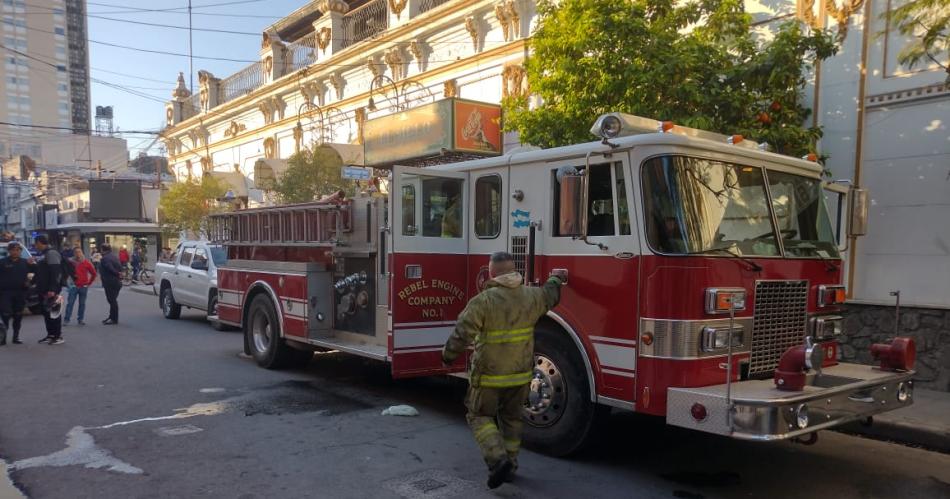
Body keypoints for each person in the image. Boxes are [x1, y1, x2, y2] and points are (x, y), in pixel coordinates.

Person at [442, 252, 563, 489]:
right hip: (520, 376)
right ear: (514, 271)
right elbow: (551, 295)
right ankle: (511, 465)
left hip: (489, 376)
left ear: (492, 273)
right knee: (512, 418)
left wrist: (448, 356)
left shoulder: (483, 301)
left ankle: (497, 460)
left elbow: (461, 333)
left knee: (478, 416)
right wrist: (556, 280)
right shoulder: (532, 296)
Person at [33, 235, 64, 345]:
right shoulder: (43, 254)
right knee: (46, 313)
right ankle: (50, 335)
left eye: (36, 243)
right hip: (43, 289)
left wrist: (53, 289)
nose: (35, 246)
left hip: (51, 290)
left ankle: (58, 336)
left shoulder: (51, 253)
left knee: (54, 312)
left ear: (40, 243)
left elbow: (56, 272)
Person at [0, 242, 31, 345]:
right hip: (5, 293)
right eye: (13, 250)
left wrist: (29, 283)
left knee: (18, 315)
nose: (15, 252)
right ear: (9, 251)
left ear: (20, 251)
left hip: (20, 293)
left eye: (18, 250)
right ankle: (3, 337)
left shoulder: (26, 262)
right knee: (6, 314)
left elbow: (35, 274)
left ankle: (16, 337)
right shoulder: (2, 262)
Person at [64, 248, 97, 326]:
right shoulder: (70, 262)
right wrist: (66, 283)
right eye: (76, 252)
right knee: (70, 303)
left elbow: (94, 273)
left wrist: (89, 283)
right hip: (73, 286)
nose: (78, 254)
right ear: (74, 253)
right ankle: (66, 319)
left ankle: (80, 319)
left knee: (82, 304)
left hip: (83, 286)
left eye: (79, 252)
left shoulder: (86, 262)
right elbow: (65, 273)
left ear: (82, 253)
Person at [99, 243, 122, 325]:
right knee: (112, 300)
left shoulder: (105, 258)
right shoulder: (114, 256)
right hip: (117, 282)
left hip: (110, 281)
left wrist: (116, 273)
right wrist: (119, 273)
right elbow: (119, 266)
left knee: (112, 300)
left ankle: (114, 318)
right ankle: (111, 316)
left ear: (102, 249)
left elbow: (109, 267)